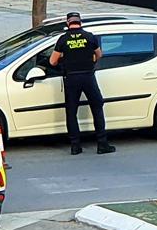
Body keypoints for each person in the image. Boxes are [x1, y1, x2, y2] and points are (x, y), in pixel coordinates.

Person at [49, 12, 115, 155]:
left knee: (72, 112)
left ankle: (75, 146)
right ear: (80, 22)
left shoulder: (63, 39)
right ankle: (102, 144)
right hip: (88, 77)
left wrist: (63, 57)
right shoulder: (90, 37)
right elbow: (99, 54)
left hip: (71, 78)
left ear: (68, 23)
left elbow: (52, 61)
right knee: (97, 107)